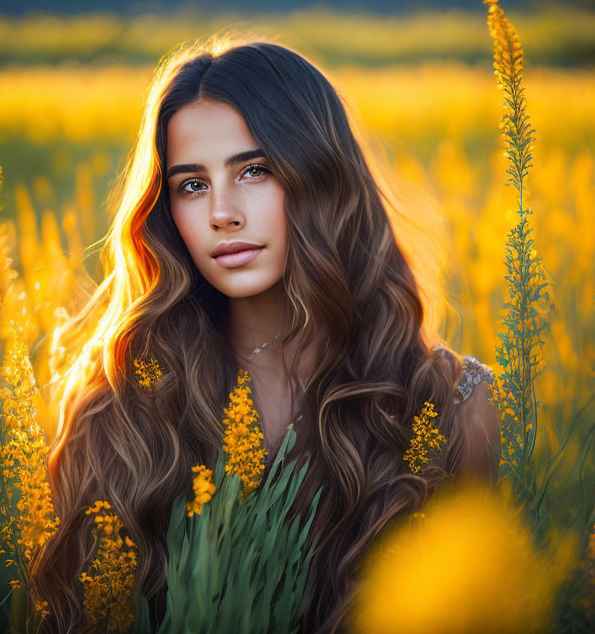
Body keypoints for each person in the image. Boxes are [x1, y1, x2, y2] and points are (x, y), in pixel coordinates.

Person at [33, 36, 501, 634]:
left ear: (322, 176)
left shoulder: (453, 405)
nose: (221, 213)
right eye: (191, 184)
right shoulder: (120, 407)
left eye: (254, 170)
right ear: (166, 209)